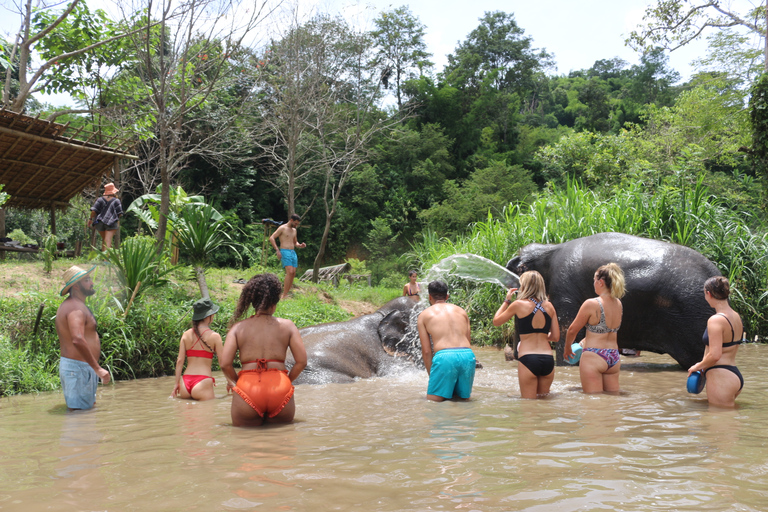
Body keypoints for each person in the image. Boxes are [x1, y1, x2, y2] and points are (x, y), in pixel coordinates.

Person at [220, 273, 307, 426]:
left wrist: (238, 382)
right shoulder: (288, 326)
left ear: (252, 300)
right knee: (281, 443)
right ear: (276, 300)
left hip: (247, 387)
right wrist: (287, 381)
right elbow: (301, 362)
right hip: (280, 387)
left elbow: (225, 364)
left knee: (244, 442)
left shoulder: (238, 328)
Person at [492, 271, 560, 398]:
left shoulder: (518, 305)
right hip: (547, 359)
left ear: (525, 286)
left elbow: (496, 321)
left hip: (528, 358)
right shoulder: (550, 306)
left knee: (529, 406)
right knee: (544, 403)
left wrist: (507, 301)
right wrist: (542, 336)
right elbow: (556, 337)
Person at [55, 265, 111, 410]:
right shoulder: (75, 308)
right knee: (78, 416)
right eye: (86, 280)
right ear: (76, 286)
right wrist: (97, 368)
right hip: (78, 369)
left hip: (81, 369)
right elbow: (77, 339)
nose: (92, 282)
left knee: (86, 415)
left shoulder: (75, 305)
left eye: (89, 279)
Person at [564, 263, 625, 394]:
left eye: (594, 280)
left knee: (593, 403)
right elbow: (606, 330)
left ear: (601, 282)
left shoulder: (591, 303)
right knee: (612, 401)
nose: (593, 284)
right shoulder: (618, 304)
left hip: (594, 356)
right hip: (613, 357)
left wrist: (567, 348)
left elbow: (572, 330)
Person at [688, 276, 744, 408]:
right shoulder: (736, 316)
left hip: (720, 376)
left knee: (718, 425)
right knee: (728, 422)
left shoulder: (716, 320)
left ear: (708, 293)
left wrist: (697, 366)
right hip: (733, 374)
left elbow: (715, 355)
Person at [417, 280, 475, 402]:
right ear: (447, 296)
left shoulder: (424, 315)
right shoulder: (462, 312)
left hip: (445, 357)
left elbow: (427, 351)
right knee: (463, 401)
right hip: (467, 355)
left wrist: (433, 375)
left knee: (434, 403)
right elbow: (468, 341)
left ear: (429, 297)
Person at [171, 298, 224, 401]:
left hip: (185, 383)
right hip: (203, 381)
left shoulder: (185, 335)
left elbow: (180, 361)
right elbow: (222, 362)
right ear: (209, 315)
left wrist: (176, 384)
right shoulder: (215, 336)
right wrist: (230, 382)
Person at [269, 214, 306, 299]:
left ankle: (287, 293)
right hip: (284, 251)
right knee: (289, 272)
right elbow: (272, 238)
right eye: (295, 223)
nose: (296, 225)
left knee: (293, 273)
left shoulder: (294, 230)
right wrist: (277, 250)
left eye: (297, 224)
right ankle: (284, 295)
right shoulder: (282, 228)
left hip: (293, 252)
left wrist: (300, 245)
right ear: (291, 220)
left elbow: (295, 242)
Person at [88, 182, 123, 251]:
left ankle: (105, 257)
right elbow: (120, 213)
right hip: (112, 222)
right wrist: (117, 220)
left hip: (100, 222)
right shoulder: (116, 201)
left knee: (105, 240)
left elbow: (93, 211)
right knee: (108, 240)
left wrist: (90, 219)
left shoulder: (100, 200)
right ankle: (106, 260)